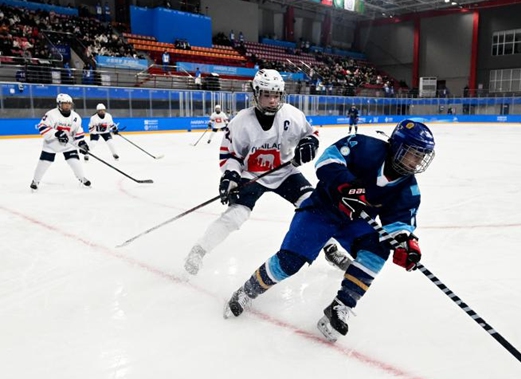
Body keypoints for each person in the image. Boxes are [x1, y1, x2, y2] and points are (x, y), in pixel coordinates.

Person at [222, 120, 436, 344]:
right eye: (413, 154)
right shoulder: (365, 146)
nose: (417, 162)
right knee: (289, 261)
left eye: (421, 157)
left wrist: (405, 243)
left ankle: (340, 306)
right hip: (321, 210)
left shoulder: (409, 189)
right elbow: (327, 158)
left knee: (378, 248)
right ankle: (248, 290)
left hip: (354, 222)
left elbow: (399, 223)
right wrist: (346, 185)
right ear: (398, 147)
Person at [183, 69, 320, 275]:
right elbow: (231, 155)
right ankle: (199, 250)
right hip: (253, 175)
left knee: (315, 205)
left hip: (284, 172)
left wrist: (309, 143)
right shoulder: (241, 121)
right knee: (235, 216)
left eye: (276, 95)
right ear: (255, 93)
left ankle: (329, 247)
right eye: (267, 94)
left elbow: (311, 134)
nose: (272, 100)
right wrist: (230, 176)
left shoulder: (292, 115)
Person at [30, 93, 91, 190]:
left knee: (75, 161)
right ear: (59, 104)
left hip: (68, 144)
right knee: (44, 162)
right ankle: (35, 181)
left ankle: (81, 178)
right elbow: (42, 127)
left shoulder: (76, 117)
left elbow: (77, 131)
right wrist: (57, 133)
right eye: (64, 103)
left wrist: (81, 143)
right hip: (51, 144)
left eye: (69, 103)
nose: (67, 105)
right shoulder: (51, 114)